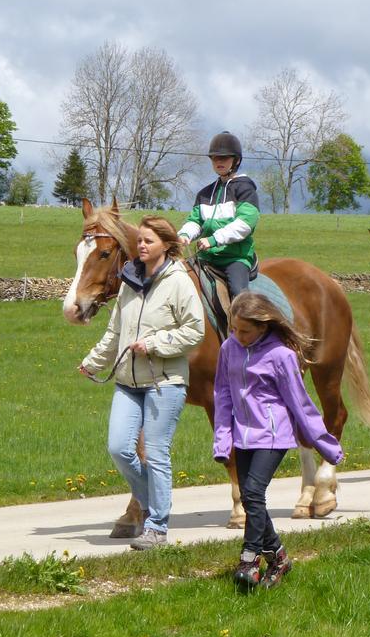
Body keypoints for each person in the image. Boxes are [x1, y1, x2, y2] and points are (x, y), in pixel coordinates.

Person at [80, 217, 205, 550]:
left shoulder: (179, 282)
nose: (142, 246)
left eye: (149, 241)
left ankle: (157, 527)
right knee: (119, 447)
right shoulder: (129, 280)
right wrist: (94, 361)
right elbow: (115, 330)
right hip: (127, 380)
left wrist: (155, 344)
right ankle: (152, 500)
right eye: (140, 241)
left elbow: (195, 331)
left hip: (165, 382)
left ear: (166, 244)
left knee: (157, 455)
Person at [213, 292, 344, 589]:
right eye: (234, 329)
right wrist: (222, 441)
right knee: (248, 497)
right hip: (242, 435)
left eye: (245, 331)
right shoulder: (229, 348)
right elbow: (222, 394)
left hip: (273, 435)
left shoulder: (281, 355)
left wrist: (326, 445)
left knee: (254, 493)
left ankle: (249, 557)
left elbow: (300, 403)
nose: (238, 336)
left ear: (264, 326)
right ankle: (280, 557)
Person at [177, 131, 261, 300]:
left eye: (224, 158)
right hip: (205, 257)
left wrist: (214, 240)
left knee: (240, 296)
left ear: (236, 161)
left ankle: (244, 325)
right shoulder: (204, 194)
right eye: (215, 158)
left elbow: (245, 224)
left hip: (234, 258)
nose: (219, 162)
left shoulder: (245, 189)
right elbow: (195, 221)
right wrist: (184, 235)